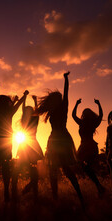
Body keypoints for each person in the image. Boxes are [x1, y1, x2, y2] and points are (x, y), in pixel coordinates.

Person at [36, 71, 85, 208]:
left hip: (61, 138)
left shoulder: (63, 107)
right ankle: (57, 198)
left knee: (62, 169)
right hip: (56, 138)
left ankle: (75, 196)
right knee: (56, 169)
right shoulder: (55, 110)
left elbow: (66, 91)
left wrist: (66, 79)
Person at [0, 90, 29, 203]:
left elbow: (15, 105)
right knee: (5, 166)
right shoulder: (9, 113)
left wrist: (15, 101)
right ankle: (6, 192)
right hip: (6, 141)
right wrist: (24, 96)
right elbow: (18, 105)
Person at [12, 95, 44, 201]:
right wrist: (34, 101)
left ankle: (17, 192)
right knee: (33, 171)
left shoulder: (25, 121)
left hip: (25, 145)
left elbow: (24, 109)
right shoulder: (34, 120)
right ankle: (32, 192)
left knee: (19, 170)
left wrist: (26, 98)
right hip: (31, 146)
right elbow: (35, 111)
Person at [72, 98, 105, 196]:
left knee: (85, 167)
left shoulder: (85, 123)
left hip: (88, 146)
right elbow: (101, 115)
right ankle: (99, 186)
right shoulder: (90, 123)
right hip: (85, 146)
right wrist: (98, 104)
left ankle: (99, 186)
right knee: (85, 167)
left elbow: (73, 115)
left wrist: (77, 104)